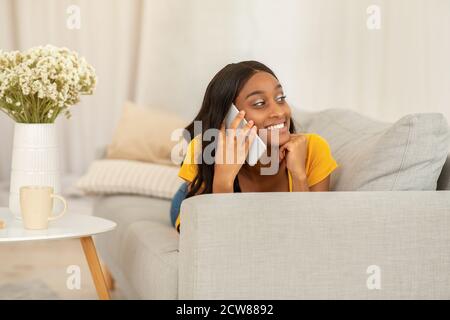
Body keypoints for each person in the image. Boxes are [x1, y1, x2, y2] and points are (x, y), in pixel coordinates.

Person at [170, 61, 339, 233]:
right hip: (203, 191)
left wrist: (299, 175)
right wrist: (223, 180)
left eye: (280, 98)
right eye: (259, 103)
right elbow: (211, 239)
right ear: (229, 117)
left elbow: (312, 233)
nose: (280, 112)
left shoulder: (313, 149)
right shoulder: (203, 149)